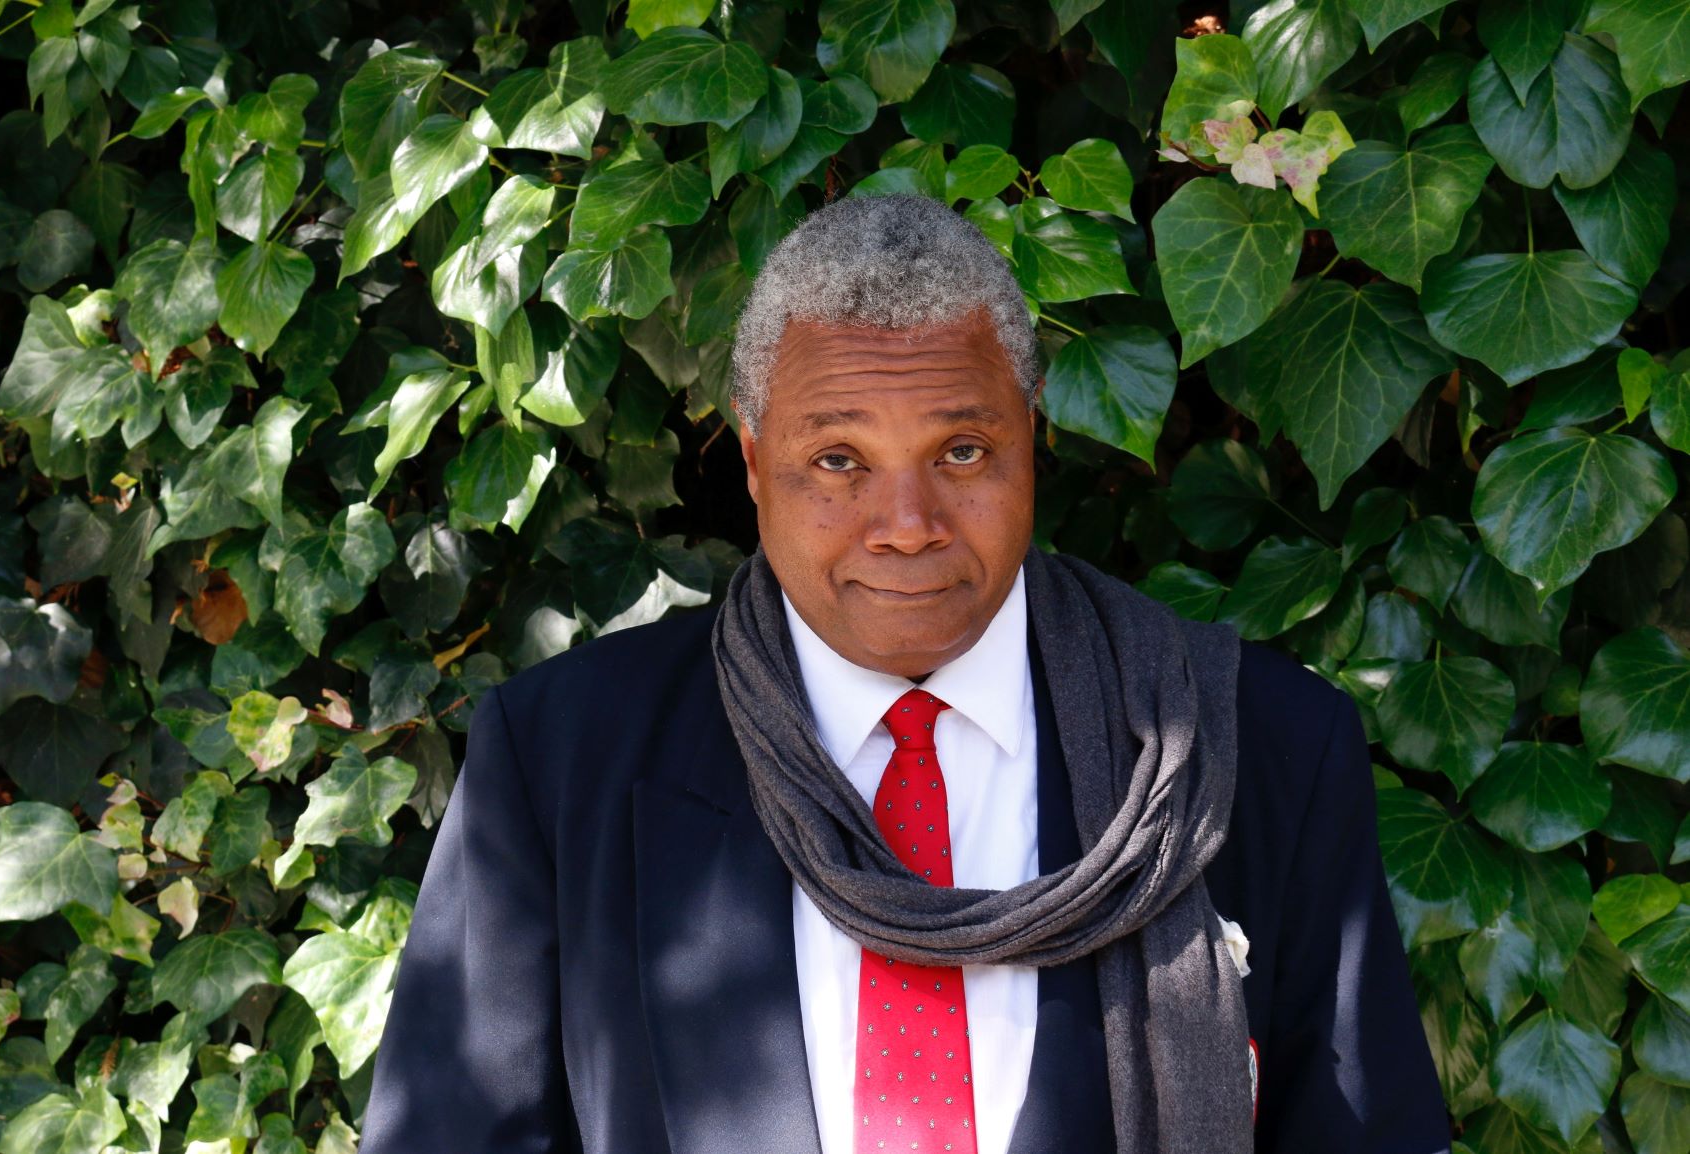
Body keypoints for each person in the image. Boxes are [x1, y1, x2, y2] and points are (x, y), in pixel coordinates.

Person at [356, 195, 1450, 1154]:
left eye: (962, 451)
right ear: (749, 460)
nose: (908, 525)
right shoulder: (558, 767)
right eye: (839, 459)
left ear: (1031, 438)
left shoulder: (1248, 747)